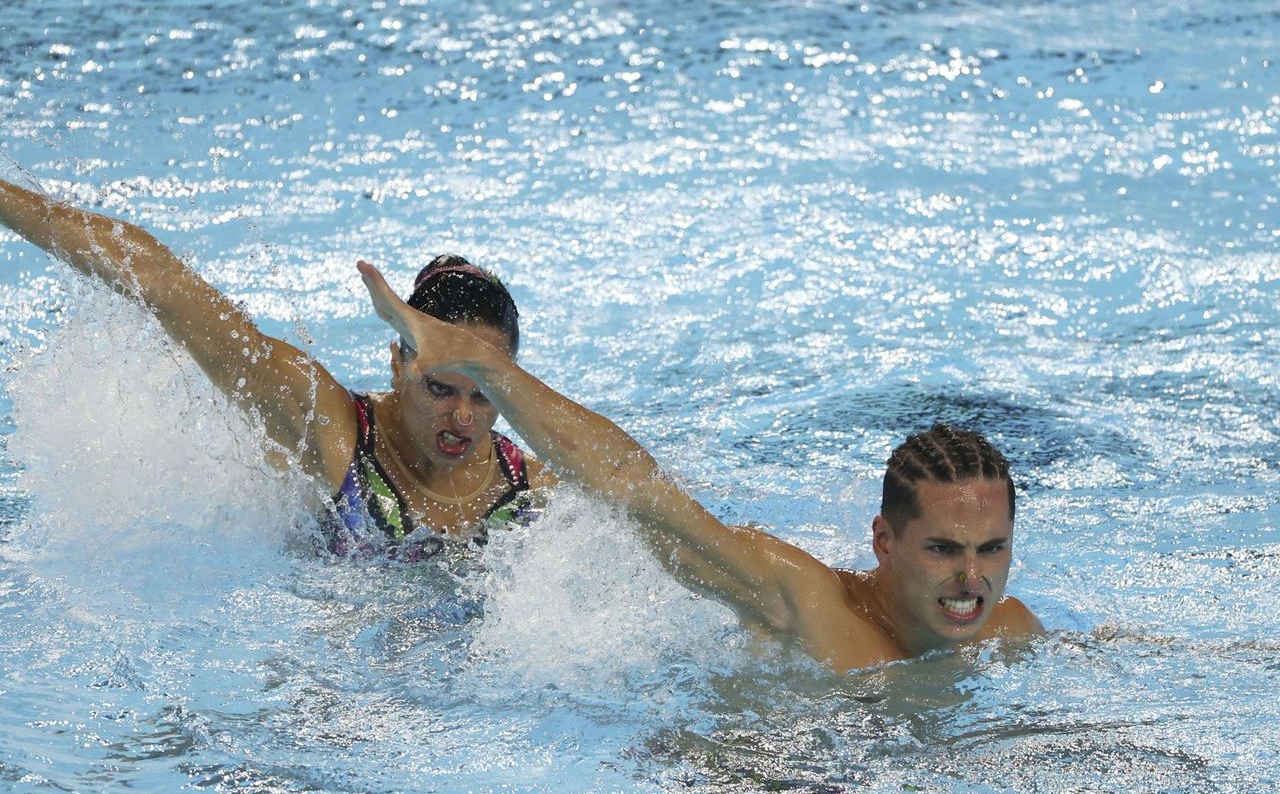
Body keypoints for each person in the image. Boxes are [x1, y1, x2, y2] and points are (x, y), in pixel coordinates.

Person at [0, 115, 551, 556]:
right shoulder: (332, 428)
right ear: (398, 362)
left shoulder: (533, 487)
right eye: (440, 388)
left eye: (485, 393)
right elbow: (157, 281)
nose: (463, 416)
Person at [356, 260, 1044, 672]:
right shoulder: (803, 601)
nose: (971, 578)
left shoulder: (1009, 632)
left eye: (992, 550)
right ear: (884, 542)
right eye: (944, 549)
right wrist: (487, 369)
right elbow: (641, 494)